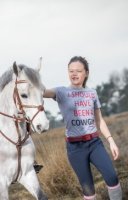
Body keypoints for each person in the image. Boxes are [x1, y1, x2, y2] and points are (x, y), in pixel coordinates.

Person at [43, 56, 122, 200]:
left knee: (112, 177)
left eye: (78, 71)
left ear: (86, 73)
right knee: (88, 190)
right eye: (71, 71)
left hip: (94, 143)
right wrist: (32, 79)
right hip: (75, 148)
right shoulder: (61, 92)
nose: (74, 74)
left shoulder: (92, 93)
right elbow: (42, 92)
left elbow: (99, 120)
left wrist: (111, 141)